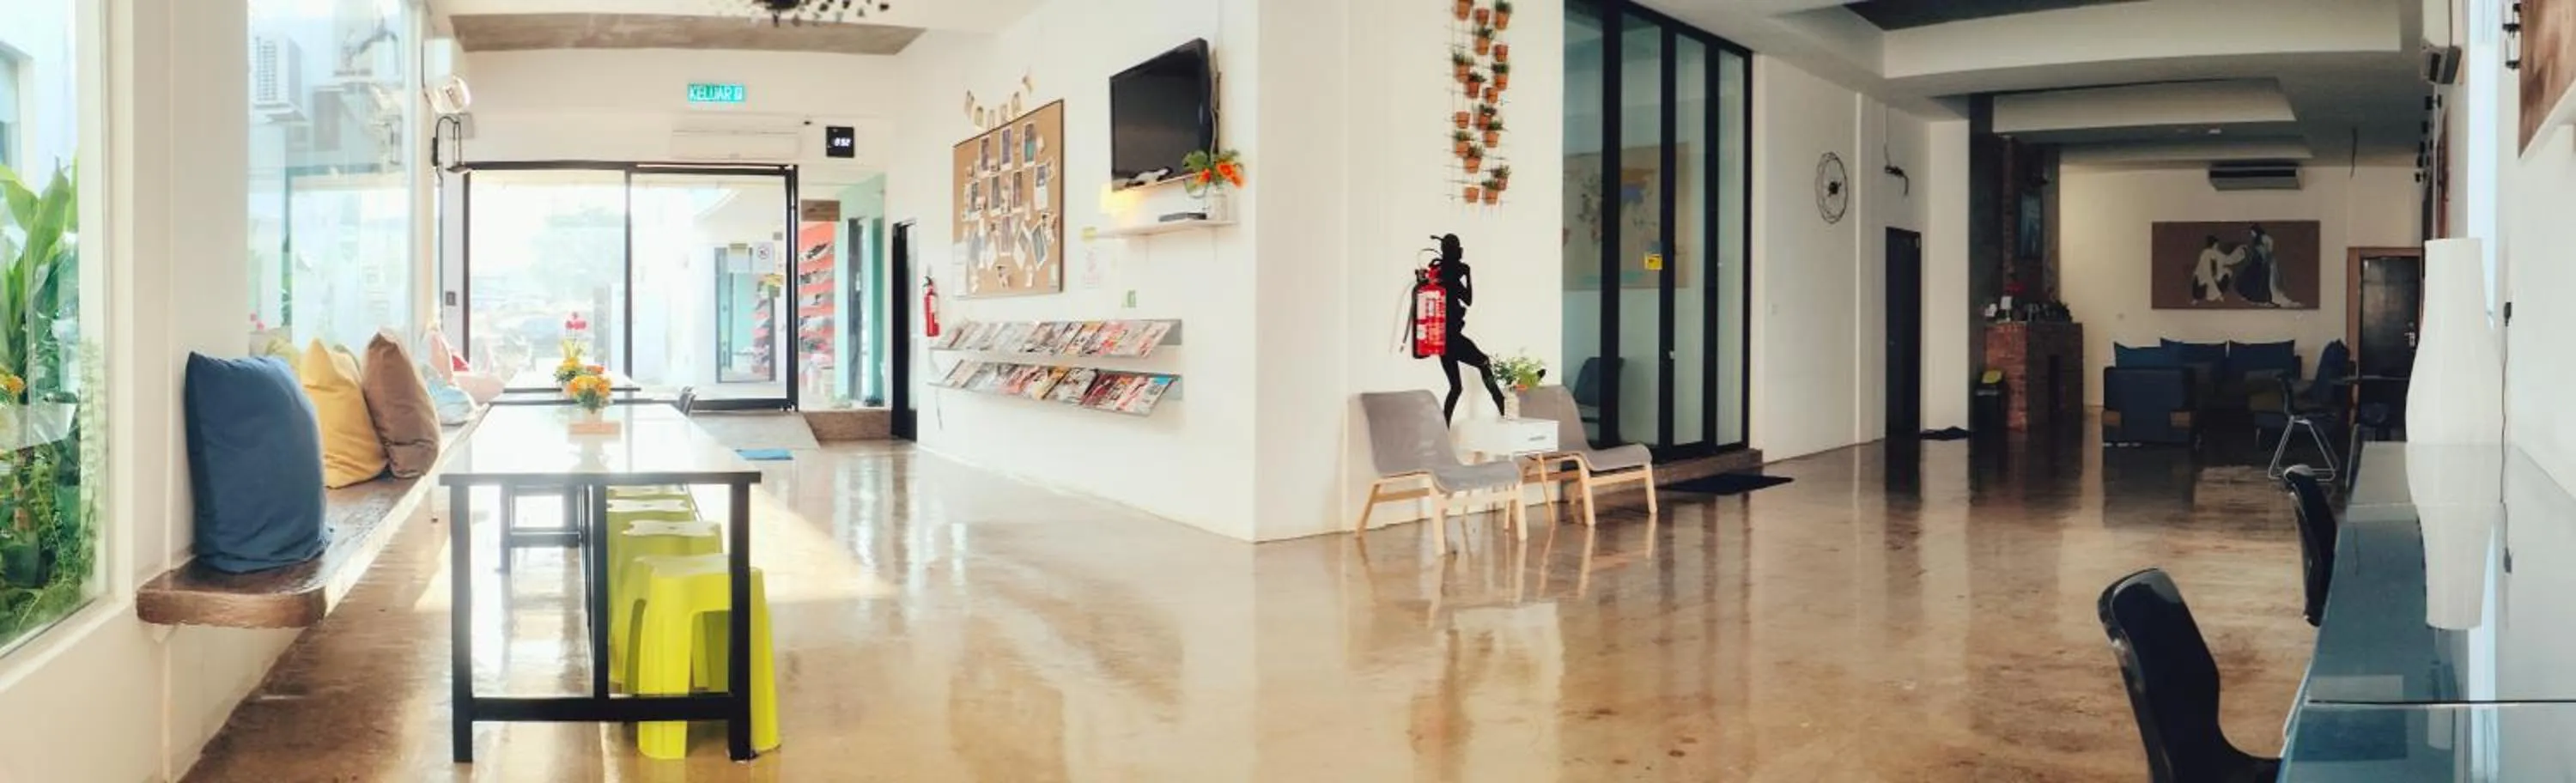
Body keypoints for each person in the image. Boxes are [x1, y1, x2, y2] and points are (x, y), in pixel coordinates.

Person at [1429, 234, 1506, 420]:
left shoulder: (1439, 273)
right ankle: (1503, 406)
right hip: (1453, 338)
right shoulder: (1453, 277)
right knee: (1484, 362)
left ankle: (1444, 427)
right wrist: (1468, 275)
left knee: (1455, 387)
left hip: (1441, 340)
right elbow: (1469, 300)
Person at [2191, 235, 2238, 304]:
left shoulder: (2215, 253)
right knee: (2202, 293)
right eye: (2216, 245)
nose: (2217, 247)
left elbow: (2227, 259)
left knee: (2227, 272)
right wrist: (2218, 294)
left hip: (2212, 278)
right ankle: (2197, 297)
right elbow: (2207, 276)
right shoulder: (2206, 254)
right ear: (2215, 244)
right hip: (2203, 281)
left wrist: (2238, 254)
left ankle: (2200, 296)